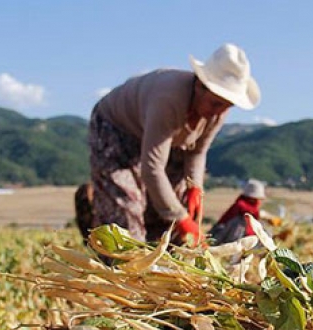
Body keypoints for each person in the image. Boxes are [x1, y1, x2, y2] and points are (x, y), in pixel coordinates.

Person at [74, 43, 260, 246]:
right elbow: (152, 169)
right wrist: (180, 217)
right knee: (126, 211)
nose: (219, 112)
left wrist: (195, 187)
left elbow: (197, 152)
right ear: (199, 86)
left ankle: (161, 263)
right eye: (215, 104)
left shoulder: (217, 112)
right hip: (117, 128)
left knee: (170, 210)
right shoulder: (168, 99)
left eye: (226, 106)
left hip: (164, 140)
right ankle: (114, 252)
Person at [208, 179, 267, 244]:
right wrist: (262, 215)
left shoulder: (252, 205)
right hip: (225, 231)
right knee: (240, 222)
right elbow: (249, 211)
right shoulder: (240, 204)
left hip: (238, 234)